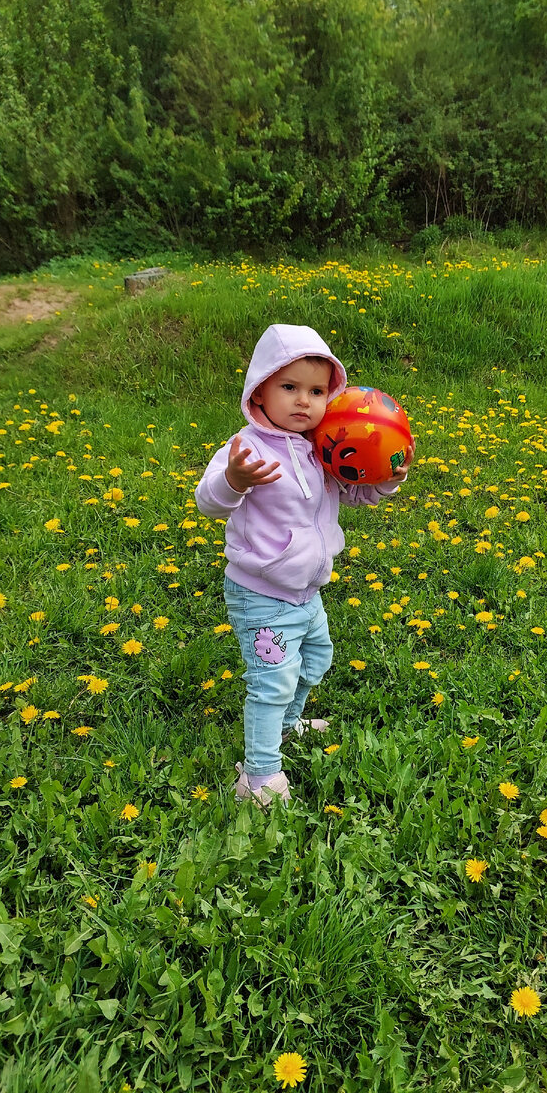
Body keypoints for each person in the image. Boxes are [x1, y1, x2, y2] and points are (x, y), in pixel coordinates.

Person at [194, 323, 414, 806]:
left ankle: (291, 725)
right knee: (271, 684)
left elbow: (355, 491)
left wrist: (388, 479)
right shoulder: (245, 449)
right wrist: (232, 479)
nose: (303, 401)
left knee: (316, 660)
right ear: (259, 392)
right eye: (288, 387)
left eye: (316, 391)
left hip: (308, 590)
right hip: (261, 594)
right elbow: (209, 503)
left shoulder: (324, 447)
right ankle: (258, 777)